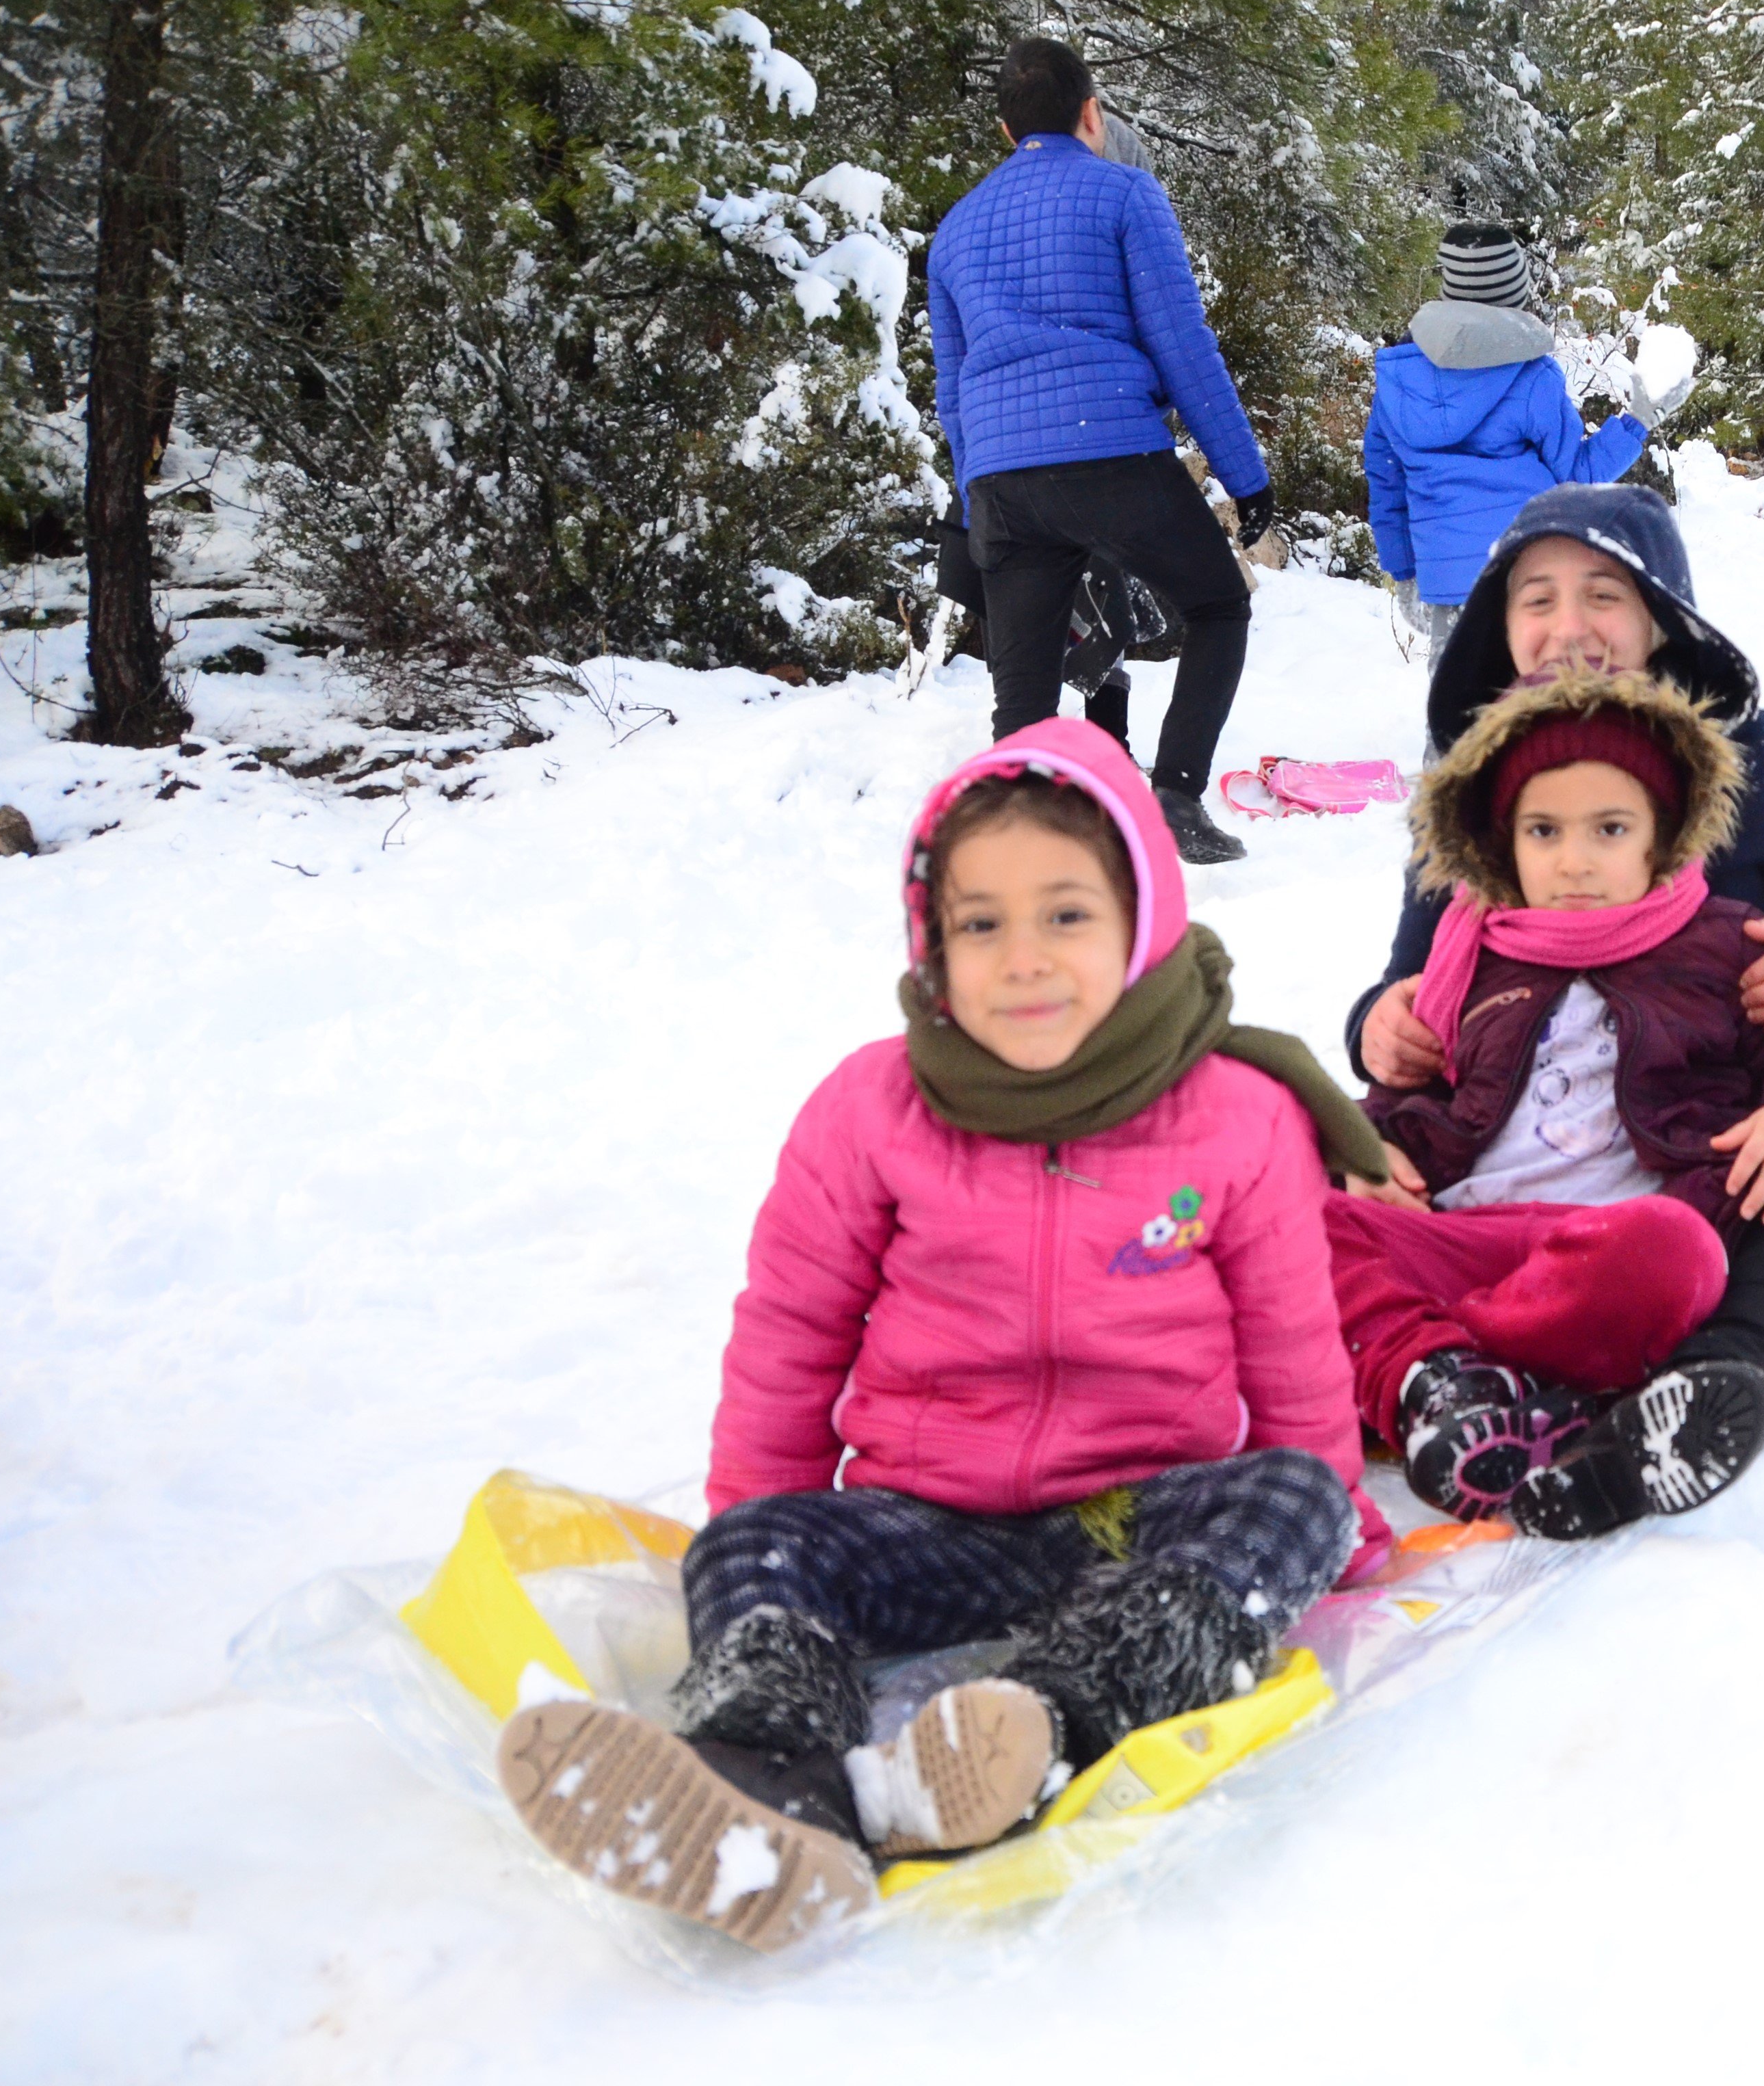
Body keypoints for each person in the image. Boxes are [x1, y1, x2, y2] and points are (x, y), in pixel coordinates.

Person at [495, 721, 1395, 1952]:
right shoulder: (872, 1106)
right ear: (931, 937)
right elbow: (791, 1332)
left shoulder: (1236, 1117)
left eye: (1066, 914)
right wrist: (769, 1542)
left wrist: (1329, 1520)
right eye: (980, 923)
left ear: (1141, 917)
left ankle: (1033, 1728)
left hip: (1137, 1513)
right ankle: (768, 1780)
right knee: (753, 1536)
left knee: (1298, 1494)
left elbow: (1293, 1343)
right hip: (933, 1519)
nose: (1022, 959)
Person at [1345, 486, 1764, 1469]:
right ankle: (1441, 1371)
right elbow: (1415, 989)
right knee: (1296, 1194)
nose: (1568, 627)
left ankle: (1720, 1378)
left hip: (1695, 1174)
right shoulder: (1470, 792)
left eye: (1605, 595)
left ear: (1664, 616)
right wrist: (1378, 1026)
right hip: (1496, 1177)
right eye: (1536, 599)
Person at [927, 34, 1275, 863]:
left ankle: (1015, 842)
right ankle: (1176, 798)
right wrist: (1243, 474)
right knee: (1218, 607)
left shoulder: (953, 231)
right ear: (1092, 114)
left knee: (1023, 688)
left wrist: (976, 493)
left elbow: (950, 385)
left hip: (1005, 477)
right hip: (1109, 450)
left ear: (1006, 131)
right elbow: (1182, 344)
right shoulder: (1125, 194)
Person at [1362, 224, 1682, 651]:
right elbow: (1578, 475)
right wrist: (1639, 419)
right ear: (1515, 295)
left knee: (1462, 709)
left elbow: (1386, 481)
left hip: (1448, 582)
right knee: (1536, 705)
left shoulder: (1399, 380)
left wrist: (1402, 570)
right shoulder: (1533, 378)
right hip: (1532, 577)